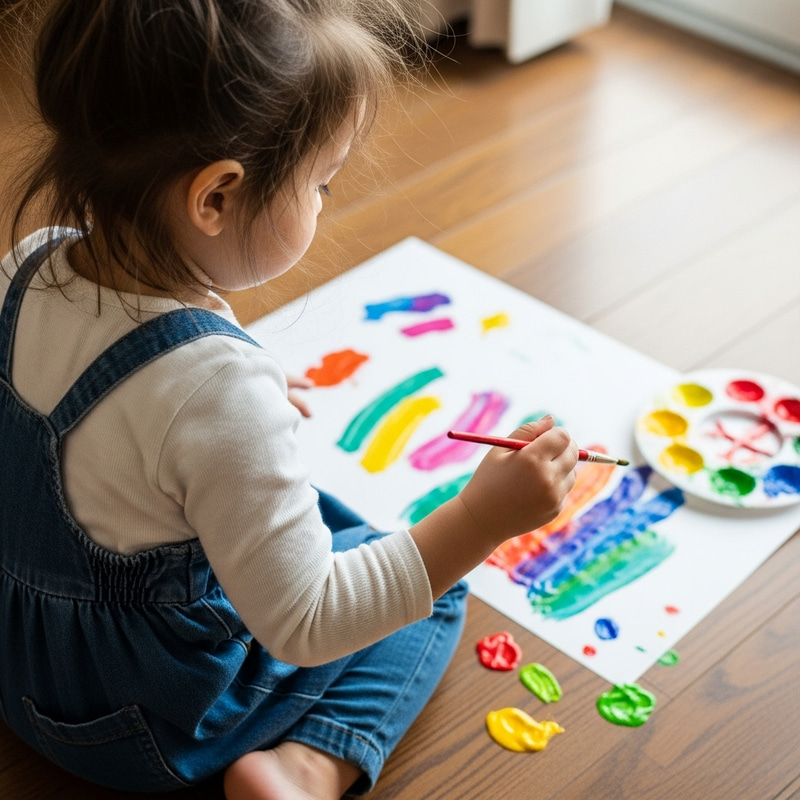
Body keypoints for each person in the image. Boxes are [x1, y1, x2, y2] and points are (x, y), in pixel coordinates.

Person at [0, 1, 578, 798]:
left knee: (324, 522)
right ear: (216, 197)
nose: (325, 200)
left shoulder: (30, 263)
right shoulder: (216, 394)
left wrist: (225, 410)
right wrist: (481, 518)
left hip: (20, 664)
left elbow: (105, 424)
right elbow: (308, 621)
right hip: (147, 726)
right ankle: (305, 769)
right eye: (321, 183)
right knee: (436, 591)